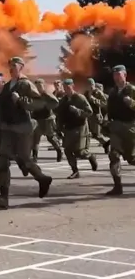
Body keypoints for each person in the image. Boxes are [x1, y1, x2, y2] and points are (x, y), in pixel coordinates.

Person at [0, 57, 52, 209]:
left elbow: (38, 103)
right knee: (3, 161)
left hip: (22, 128)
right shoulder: (6, 87)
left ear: (21, 67)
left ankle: (42, 178)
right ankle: (3, 198)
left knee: (25, 160)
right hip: (7, 129)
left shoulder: (24, 84)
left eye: (14, 65)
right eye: (10, 65)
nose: (11, 68)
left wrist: (20, 101)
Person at [56, 79, 98, 179]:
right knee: (68, 150)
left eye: (68, 87)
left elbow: (89, 112)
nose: (66, 89)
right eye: (65, 87)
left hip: (80, 127)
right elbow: (60, 115)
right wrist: (59, 128)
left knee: (80, 151)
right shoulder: (63, 100)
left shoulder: (79, 98)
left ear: (72, 86)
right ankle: (75, 171)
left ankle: (91, 157)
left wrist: (77, 111)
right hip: (69, 128)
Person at [105, 65, 135, 195]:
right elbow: (109, 109)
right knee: (114, 155)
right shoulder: (113, 92)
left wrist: (132, 103)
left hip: (130, 127)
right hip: (116, 127)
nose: (116, 78)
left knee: (132, 158)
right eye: (114, 75)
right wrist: (107, 121)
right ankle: (118, 186)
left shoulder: (132, 89)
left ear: (125, 75)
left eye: (119, 75)